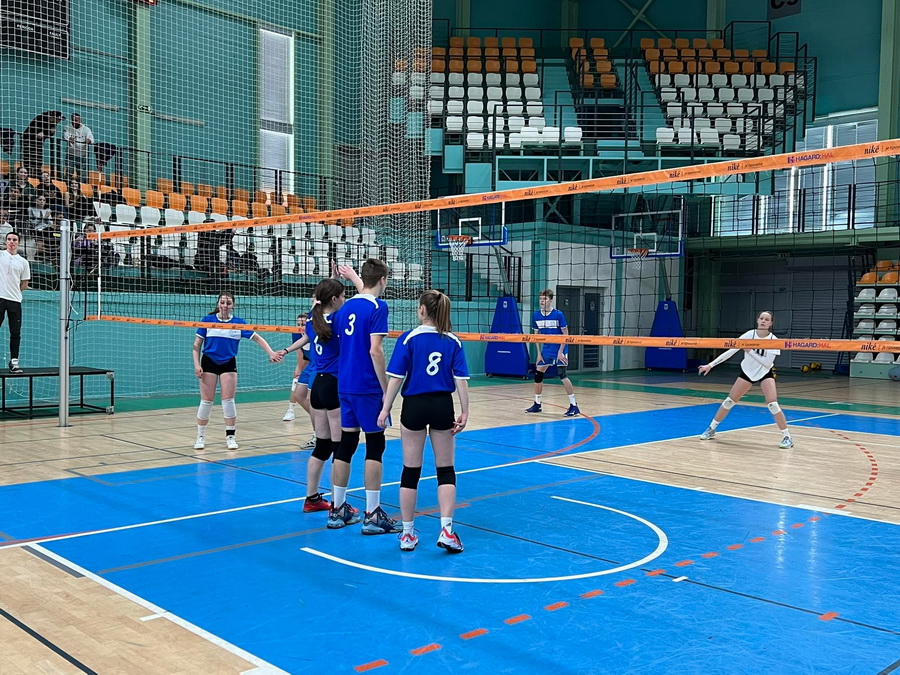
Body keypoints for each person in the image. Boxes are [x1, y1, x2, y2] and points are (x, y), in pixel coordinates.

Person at [377, 290, 470, 553]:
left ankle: (407, 534)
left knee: (410, 470)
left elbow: (396, 378)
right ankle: (447, 530)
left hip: (414, 406)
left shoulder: (408, 338)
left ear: (421, 310)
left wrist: (385, 409)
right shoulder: (453, 341)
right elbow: (460, 380)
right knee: (445, 469)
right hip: (442, 405)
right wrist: (465, 411)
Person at [328, 258, 399, 534]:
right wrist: (385, 389)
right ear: (383, 280)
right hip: (368, 386)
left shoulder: (345, 308)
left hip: (344, 384)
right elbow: (375, 351)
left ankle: (337, 509)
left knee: (346, 445)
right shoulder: (379, 307)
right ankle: (372, 513)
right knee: (375, 445)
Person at [191, 292, 278, 450]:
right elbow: (196, 345)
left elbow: (257, 338)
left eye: (228, 303)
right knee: (206, 401)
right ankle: (200, 437)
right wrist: (197, 365)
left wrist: (271, 352)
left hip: (228, 363)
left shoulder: (239, 323)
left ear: (233, 305)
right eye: (222, 302)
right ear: (218, 304)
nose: (225, 306)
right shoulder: (207, 320)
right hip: (209, 362)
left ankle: (230, 437)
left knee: (228, 400)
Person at [698, 310, 794, 449]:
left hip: (765, 372)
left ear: (771, 323)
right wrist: (710, 365)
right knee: (729, 401)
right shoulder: (749, 335)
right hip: (748, 372)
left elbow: (767, 363)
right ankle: (711, 429)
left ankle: (787, 437)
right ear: (757, 320)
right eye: (761, 318)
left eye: (767, 319)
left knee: (773, 404)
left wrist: (750, 351)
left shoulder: (774, 340)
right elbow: (731, 350)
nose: (763, 321)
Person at [525, 289, 580, 417]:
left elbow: (566, 334)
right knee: (538, 374)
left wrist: (561, 352)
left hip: (560, 348)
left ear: (550, 300)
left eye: (544, 299)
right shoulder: (536, 315)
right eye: (540, 299)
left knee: (562, 375)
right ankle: (537, 404)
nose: (542, 301)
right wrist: (539, 354)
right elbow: (536, 336)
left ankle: (574, 405)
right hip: (547, 349)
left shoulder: (558, 314)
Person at [282, 312, 318, 450]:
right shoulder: (298, 332)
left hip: (320, 364)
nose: (301, 325)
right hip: (310, 365)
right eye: (299, 323)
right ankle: (322, 421)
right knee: (299, 394)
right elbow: (300, 350)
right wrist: (286, 352)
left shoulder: (319, 326)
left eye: (303, 323)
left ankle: (318, 435)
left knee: (313, 399)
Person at [0, 231, 31, 373]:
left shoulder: (23, 262)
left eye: (14, 239)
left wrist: (13, 291)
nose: (11, 242)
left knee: (15, 332)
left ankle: (14, 362)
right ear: (5, 241)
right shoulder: (1, 255)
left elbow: (24, 284)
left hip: (15, 300)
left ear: (19, 242)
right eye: (9, 239)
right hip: (0, 299)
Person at [63, 113, 94, 179]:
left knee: (82, 175)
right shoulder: (68, 127)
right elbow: (65, 135)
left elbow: (91, 139)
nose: (74, 122)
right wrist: (69, 138)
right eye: (73, 120)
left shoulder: (86, 129)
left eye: (76, 120)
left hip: (82, 156)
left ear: (80, 120)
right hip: (70, 155)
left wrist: (88, 140)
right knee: (69, 174)